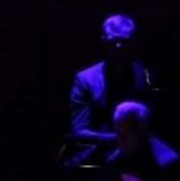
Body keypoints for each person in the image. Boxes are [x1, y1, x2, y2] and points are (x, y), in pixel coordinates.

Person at [65, 15, 155, 166]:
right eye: (114, 41)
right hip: (99, 161)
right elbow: (79, 131)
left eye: (124, 41)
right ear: (103, 41)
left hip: (140, 161)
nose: (118, 46)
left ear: (133, 41)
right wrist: (124, 139)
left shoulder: (147, 75)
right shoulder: (85, 79)